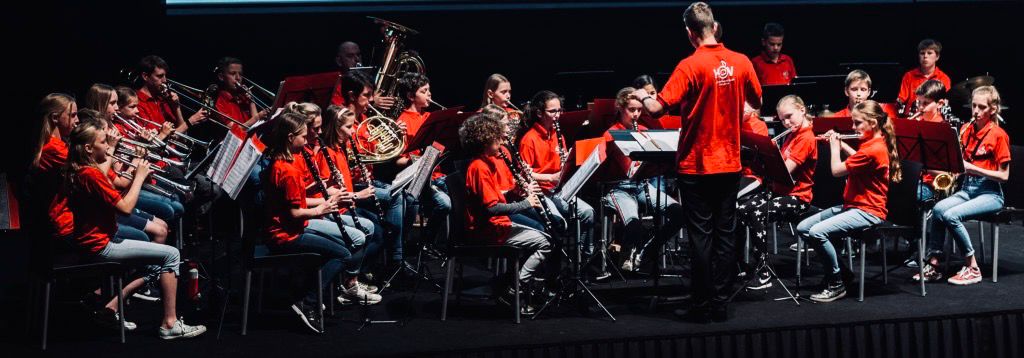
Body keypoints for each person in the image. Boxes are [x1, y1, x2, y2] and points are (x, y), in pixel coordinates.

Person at [632, 2, 761, 322]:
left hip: (696, 164)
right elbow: (757, 100)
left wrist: (642, 96)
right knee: (725, 235)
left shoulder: (690, 66)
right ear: (714, 28)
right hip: (730, 163)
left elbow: (659, 109)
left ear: (690, 33)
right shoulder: (741, 62)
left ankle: (701, 305)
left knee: (701, 237)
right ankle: (720, 304)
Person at [53, 119, 206, 339]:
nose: (109, 146)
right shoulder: (91, 175)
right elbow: (124, 208)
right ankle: (170, 324)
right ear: (88, 148)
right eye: (104, 142)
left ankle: (110, 308)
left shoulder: (82, 169)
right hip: (100, 245)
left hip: (98, 239)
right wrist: (139, 176)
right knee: (171, 254)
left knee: (157, 261)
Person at [261, 112, 379, 333]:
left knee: (343, 247)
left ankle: (311, 294)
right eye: (303, 137)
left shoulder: (279, 163)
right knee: (343, 254)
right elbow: (294, 214)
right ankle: (309, 300)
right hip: (287, 235)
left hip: (290, 229)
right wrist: (322, 209)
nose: (307, 141)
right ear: (289, 137)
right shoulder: (288, 171)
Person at [797, 100, 902, 303]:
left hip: (869, 211)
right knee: (803, 228)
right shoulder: (872, 145)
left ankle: (836, 283)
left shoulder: (874, 148)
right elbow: (859, 159)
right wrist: (842, 143)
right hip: (853, 206)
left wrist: (834, 147)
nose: (853, 128)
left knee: (818, 232)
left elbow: (837, 170)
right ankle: (842, 273)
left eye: (857, 123)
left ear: (873, 123)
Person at [915, 86, 1010, 286]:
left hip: (990, 194)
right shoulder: (966, 130)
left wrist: (973, 169)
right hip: (968, 190)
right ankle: (935, 263)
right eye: (974, 105)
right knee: (939, 209)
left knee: (951, 215)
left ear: (992, 109)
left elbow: (1004, 176)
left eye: (981, 107)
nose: (975, 111)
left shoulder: (999, 135)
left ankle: (972, 266)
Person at [460, 113, 551, 312]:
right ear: (484, 141)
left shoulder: (487, 162)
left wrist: (513, 193)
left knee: (541, 237)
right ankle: (514, 288)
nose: (502, 142)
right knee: (544, 243)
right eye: (498, 138)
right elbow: (491, 208)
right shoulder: (478, 167)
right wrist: (525, 203)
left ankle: (507, 284)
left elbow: (497, 199)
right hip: (486, 230)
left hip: (496, 224)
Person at [737, 95, 817, 289]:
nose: (786, 123)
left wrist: (767, 154)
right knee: (741, 208)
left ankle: (764, 270)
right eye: (782, 120)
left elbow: (784, 170)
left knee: (757, 212)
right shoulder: (792, 134)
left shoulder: (806, 137)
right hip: (781, 193)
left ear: (802, 110)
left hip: (798, 197)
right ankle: (741, 263)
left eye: (789, 117)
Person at [600, 87, 683, 272]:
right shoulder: (610, 134)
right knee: (634, 223)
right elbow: (614, 170)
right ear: (621, 108)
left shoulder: (645, 131)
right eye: (632, 110)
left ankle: (646, 251)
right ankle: (626, 254)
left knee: (679, 213)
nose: (636, 114)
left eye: (639, 110)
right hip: (619, 188)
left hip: (641, 186)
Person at [518, 90, 596, 257]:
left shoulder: (557, 134)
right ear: (539, 113)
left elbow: (562, 164)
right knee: (558, 221)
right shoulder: (529, 139)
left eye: (559, 110)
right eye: (552, 111)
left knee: (588, 213)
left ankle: (582, 258)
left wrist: (568, 161)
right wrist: (551, 177)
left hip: (558, 189)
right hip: (541, 191)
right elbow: (525, 175)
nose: (558, 115)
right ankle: (554, 263)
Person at [897, 39, 952, 115]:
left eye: (929, 53)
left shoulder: (944, 78)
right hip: (911, 119)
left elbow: (944, 103)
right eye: (922, 53)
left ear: (937, 57)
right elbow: (901, 100)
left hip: (933, 119)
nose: (925, 56)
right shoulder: (909, 76)